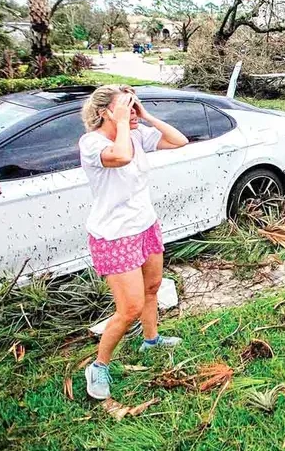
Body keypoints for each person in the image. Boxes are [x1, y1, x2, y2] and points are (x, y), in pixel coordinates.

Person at [79, 85, 189, 400]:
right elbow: (122, 156)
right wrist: (123, 121)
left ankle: (151, 339)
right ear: (105, 112)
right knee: (129, 308)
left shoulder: (137, 135)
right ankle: (98, 367)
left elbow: (178, 140)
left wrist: (145, 115)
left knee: (153, 288)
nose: (132, 110)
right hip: (115, 236)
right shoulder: (92, 143)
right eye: (125, 106)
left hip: (145, 226)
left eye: (133, 105)